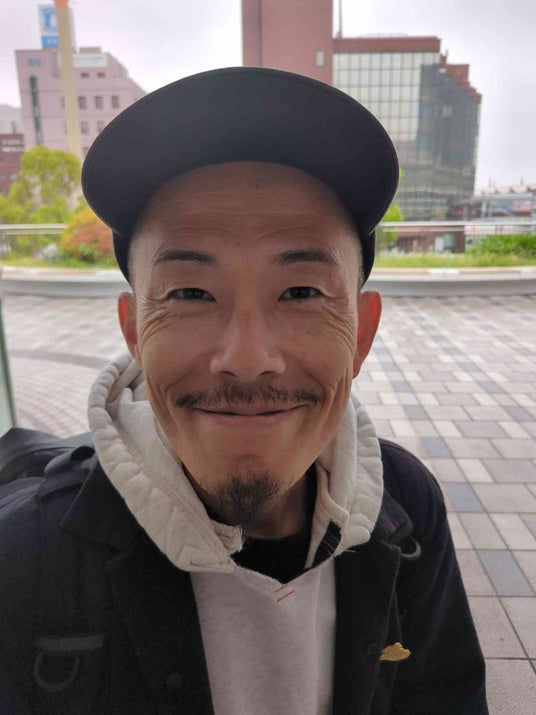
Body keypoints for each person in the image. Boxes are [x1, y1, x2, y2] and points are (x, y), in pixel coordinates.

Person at [0, 67, 487, 714]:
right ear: (135, 331)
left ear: (362, 334)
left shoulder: (407, 511)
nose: (248, 360)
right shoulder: (25, 561)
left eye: (301, 291)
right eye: (190, 293)